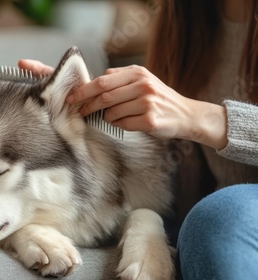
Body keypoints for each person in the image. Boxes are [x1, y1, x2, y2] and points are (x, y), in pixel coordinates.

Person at [19, 0, 258, 279]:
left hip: (226, 215)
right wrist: (98, 109)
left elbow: (190, 119)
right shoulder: (186, 18)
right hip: (204, 215)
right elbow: (180, 172)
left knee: (220, 218)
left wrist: (200, 117)